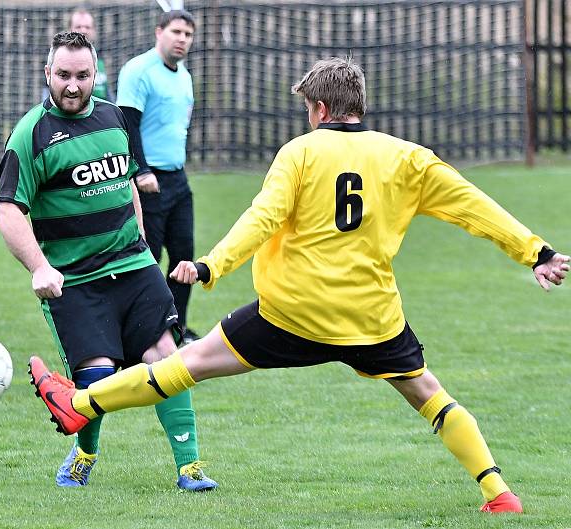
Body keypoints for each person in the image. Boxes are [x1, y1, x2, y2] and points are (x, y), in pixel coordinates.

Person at [28, 57, 570, 513]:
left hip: (291, 316)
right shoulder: (407, 158)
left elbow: (263, 217)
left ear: (319, 110)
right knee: (429, 395)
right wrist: (536, 252)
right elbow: (473, 206)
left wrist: (214, 265)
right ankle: (498, 492)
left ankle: (82, 402)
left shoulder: (302, 152)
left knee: (185, 365)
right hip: (370, 320)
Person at [0, 31, 216, 491]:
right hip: (76, 279)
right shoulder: (30, 133)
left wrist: (140, 245)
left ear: (96, 74)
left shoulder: (115, 119)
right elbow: (10, 210)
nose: (73, 86)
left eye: (82, 75)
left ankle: (189, 467)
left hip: (135, 267)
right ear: (47, 74)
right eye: (63, 75)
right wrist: (39, 267)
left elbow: (129, 184)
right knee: (95, 372)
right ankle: (84, 455)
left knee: (166, 357)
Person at [116, 10, 200, 342]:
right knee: (146, 259)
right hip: (148, 183)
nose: (182, 39)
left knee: (184, 256)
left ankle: (176, 328)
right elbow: (128, 124)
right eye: (176, 31)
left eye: (188, 34)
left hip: (178, 181)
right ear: (159, 32)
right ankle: (142, 330)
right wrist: (141, 170)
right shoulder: (138, 70)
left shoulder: (184, 76)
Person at [41, 8, 111, 102]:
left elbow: (107, 92)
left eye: (87, 27)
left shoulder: (100, 59)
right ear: (69, 29)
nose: (83, 30)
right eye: (78, 26)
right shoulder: (59, 57)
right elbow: (47, 92)